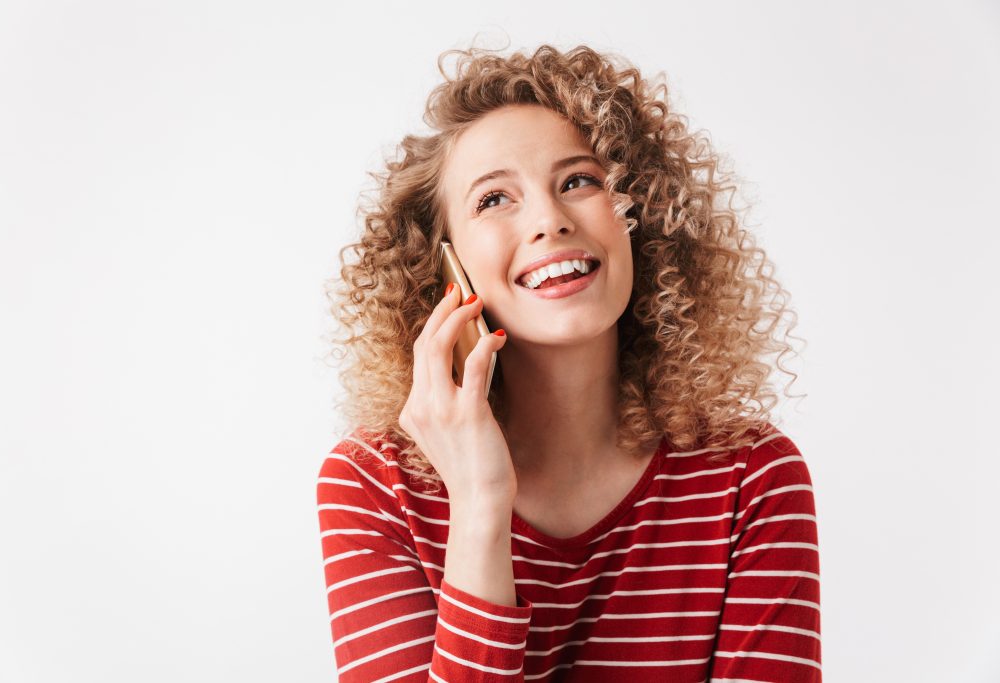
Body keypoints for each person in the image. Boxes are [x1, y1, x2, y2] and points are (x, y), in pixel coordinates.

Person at [317, 42, 820, 682]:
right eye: (494, 199)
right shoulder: (374, 485)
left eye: (579, 181)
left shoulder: (750, 475)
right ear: (442, 265)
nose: (550, 220)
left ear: (642, 219)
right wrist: (479, 505)